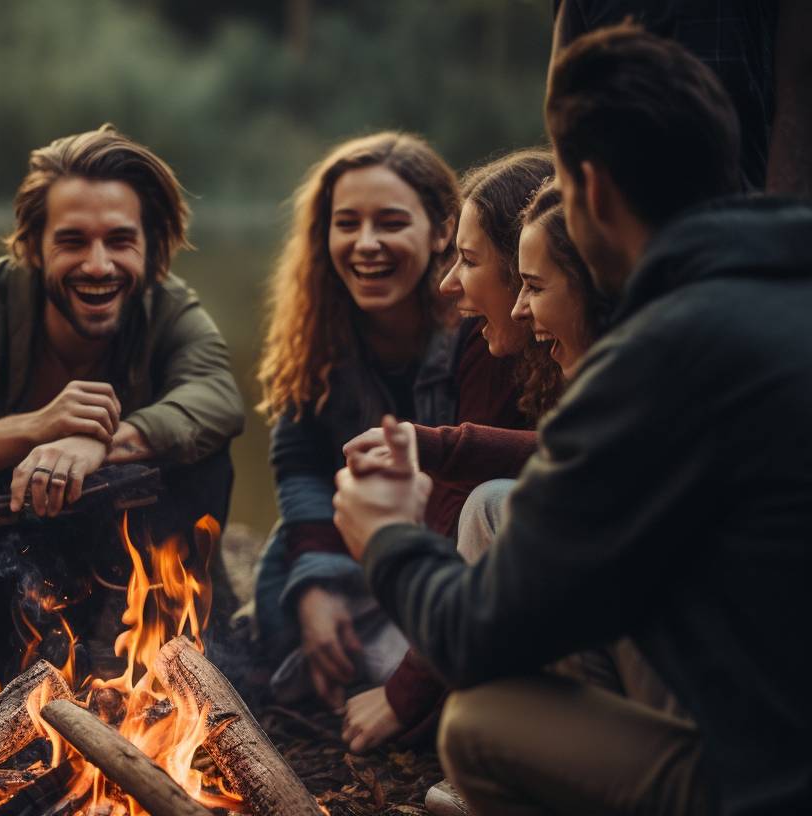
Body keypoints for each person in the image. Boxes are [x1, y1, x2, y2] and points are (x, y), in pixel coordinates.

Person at [334, 24, 812, 814]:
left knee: (483, 724)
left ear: (589, 188)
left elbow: (475, 632)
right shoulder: (780, 289)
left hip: (772, 781)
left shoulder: (658, 354)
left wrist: (386, 537)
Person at [0, 124, 245, 731]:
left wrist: (97, 440)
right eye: (73, 241)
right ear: (33, 246)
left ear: (152, 246)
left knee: (199, 448)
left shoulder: (170, 308)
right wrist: (36, 428)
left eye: (120, 240)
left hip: (107, 579)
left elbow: (218, 399)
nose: (98, 264)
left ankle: (120, 656)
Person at [250, 132, 526, 744]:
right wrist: (317, 585)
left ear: (440, 232)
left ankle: (410, 683)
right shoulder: (318, 323)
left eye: (391, 222)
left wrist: (405, 682)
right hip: (365, 541)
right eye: (347, 223)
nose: (366, 243)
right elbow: (298, 464)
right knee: (281, 582)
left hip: (445, 547)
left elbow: (468, 498)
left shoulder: (487, 324)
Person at [333, 149, 562, 754]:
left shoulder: (598, 346)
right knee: (314, 615)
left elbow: (586, 458)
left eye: (467, 260)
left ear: (523, 268)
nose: (447, 284)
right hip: (535, 582)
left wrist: (403, 692)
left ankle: (507, 740)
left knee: (491, 508)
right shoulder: (493, 345)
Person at [550, 0, 811, 196]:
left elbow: (798, 90)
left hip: (740, 206)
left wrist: (778, 226)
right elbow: (564, 110)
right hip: (622, 211)